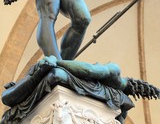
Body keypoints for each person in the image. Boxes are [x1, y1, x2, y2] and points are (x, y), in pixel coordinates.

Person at [1, 56, 159, 124]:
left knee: (55, 75)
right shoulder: (114, 72)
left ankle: (37, 74)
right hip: (62, 73)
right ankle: (38, 74)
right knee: (55, 74)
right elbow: (89, 71)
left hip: (59, 74)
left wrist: (55, 64)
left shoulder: (118, 97)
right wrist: (57, 62)